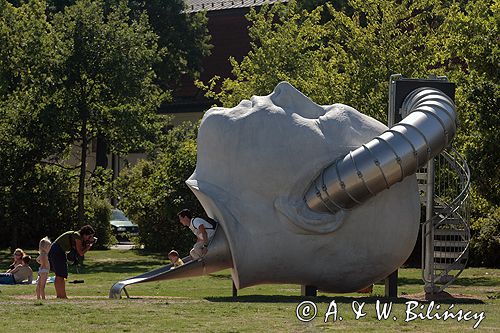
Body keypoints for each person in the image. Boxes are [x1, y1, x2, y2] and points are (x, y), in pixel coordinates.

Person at [48, 225, 96, 298]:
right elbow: (81, 253)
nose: (90, 238)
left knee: (61, 275)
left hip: (59, 251)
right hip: (57, 251)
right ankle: (61, 296)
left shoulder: (78, 237)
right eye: (89, 236)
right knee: (60, 275)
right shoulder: (77, 236)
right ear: (84, 234)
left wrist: (87, 243)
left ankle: (61, 295)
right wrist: (89, 246)